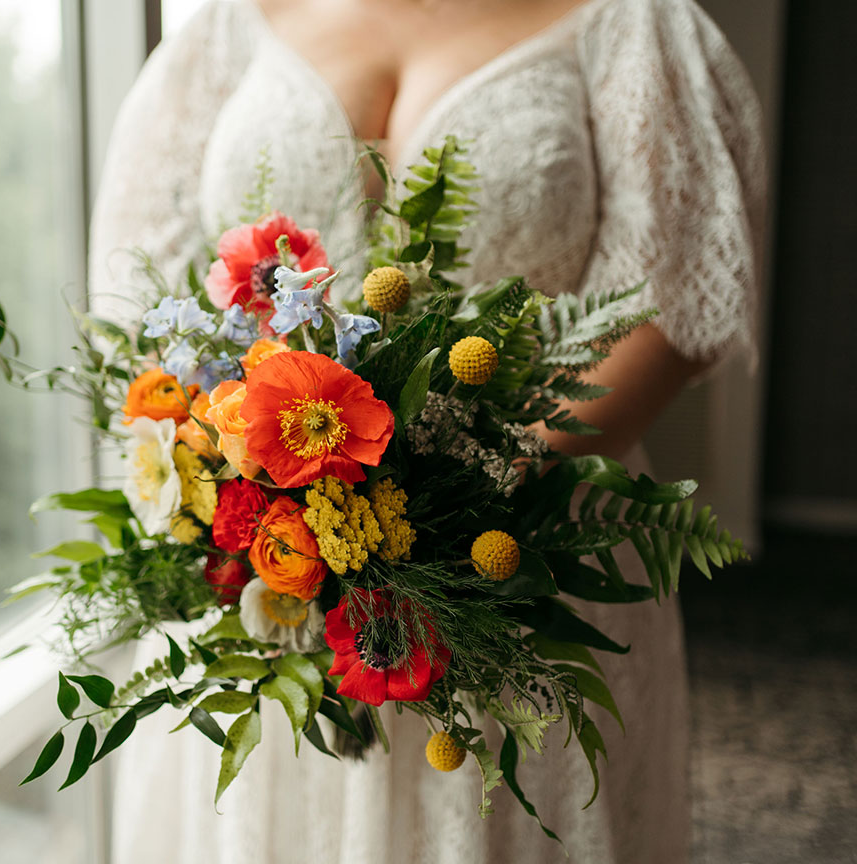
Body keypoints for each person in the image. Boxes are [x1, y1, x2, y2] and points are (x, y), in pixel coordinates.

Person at [88, 0, 765, 861]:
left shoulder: (631, 21)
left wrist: (451, 503)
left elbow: (670, 303)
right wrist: (251, 487)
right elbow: (144, 298)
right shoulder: (228, 26)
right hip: (270, 572)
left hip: (529, 552)